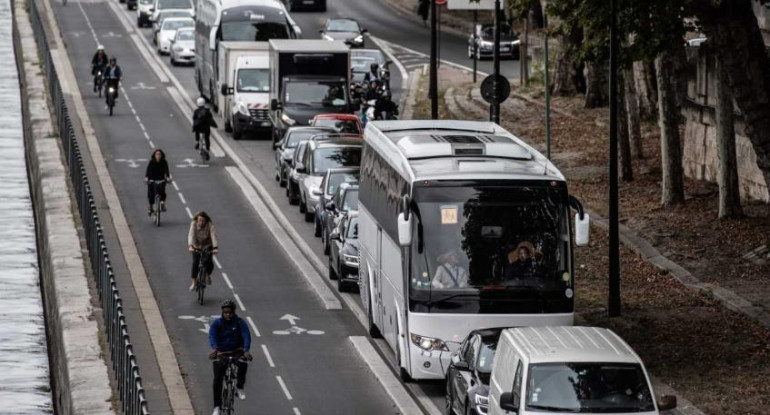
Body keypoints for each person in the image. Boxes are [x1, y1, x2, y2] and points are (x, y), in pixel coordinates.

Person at [209, 299, 252, 415]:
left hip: (236, 351)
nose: (228, 315)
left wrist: (246, 350)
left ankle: (239, 387)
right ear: (222, 313)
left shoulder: (240, 323)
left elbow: (246, 335)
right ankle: (217, 407)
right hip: (221, 352)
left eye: (230, 312)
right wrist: (215, 349)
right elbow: (212, 336)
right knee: (217, 379)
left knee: (243, 363)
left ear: (234, 312)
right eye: (226, 312)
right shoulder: (216, 323)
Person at [188, 211, 218, 291]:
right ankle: (194, 283)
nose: (201, 222)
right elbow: (191, 235)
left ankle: (207, 274)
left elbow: (213, 236)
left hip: (207, 246)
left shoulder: (210, 225)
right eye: (199, 220)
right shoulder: (193, 224)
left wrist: (215, 247)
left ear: (206, 220)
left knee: (208, 261)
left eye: (203, 220)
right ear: (197, 220)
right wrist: (190, 246)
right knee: (195, 263)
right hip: (196, 246)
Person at [144, 149, 171, 215]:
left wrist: (167, 177)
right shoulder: (151, 162)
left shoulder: (164, 162)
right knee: (151, 194)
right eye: (157, 154)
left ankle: (162, 204)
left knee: (163, 193)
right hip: (152, 179)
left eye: (159, 154)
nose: (158, 156)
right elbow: (148, 170)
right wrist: (147, 177)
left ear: (162, 155)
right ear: (154, 155)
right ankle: (150, 207)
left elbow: (166, 170)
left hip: (161, 179)